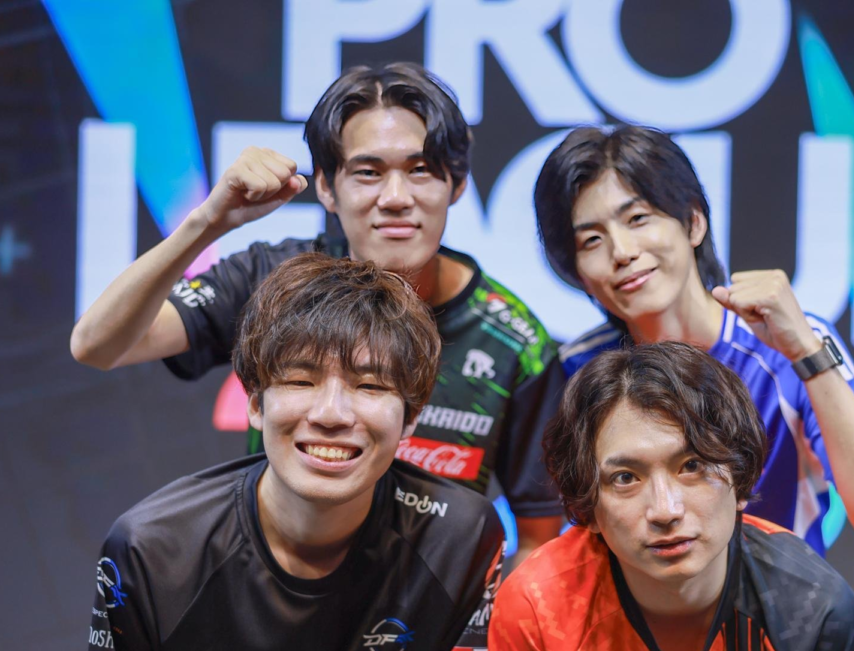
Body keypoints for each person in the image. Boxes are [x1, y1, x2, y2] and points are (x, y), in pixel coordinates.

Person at [69, 61, 566, 558]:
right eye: (368, 172)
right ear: (326, 186)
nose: (396, 198)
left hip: (426, 600)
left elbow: (537, 537)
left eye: (420, 170)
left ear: (456, 184)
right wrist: (207, 222)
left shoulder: (514, 341)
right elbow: (98, 345)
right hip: (267, 580)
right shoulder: (275, 281)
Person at [79, 254, 504, 651]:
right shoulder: (153, 551)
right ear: (255, 403)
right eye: (301, 381)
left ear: (411, 417)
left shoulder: (459, 534)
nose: (331, 415)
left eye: (370, 386)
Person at [534, 124, 854, 565]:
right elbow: (551, 544)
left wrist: (804, 351)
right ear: (578, 273)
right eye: (591, 240)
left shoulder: (792, 345)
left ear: (693, 222)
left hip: (777, 605)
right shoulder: (574, 372)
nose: (622, 251)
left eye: (638, 219)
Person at [484, 342, 854, 651]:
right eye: (625, 477)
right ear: (588, 509)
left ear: (740, 480)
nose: (665, 510)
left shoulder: (813, 608)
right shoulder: (537, 605)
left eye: (692, 466)